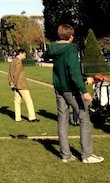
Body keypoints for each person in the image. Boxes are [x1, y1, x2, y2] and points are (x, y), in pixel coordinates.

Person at [41, 24, 104, 163]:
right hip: (72, 90)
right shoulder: (71, 49)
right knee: (84, 119)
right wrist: (84, 91)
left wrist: (42, 54)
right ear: (70, 36)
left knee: (63, 120)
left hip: (59, 88)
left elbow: (45, 55)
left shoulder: (52, 47)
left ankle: (66, 155)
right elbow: (74, 72)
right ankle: (87, 155)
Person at [8, 49, 39, 122]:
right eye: (24, 55)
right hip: (21, 85)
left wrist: (11, 83)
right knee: (29, 101)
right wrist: (14, 83)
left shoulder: (13, 61)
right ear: (20, 53)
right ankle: (32, 118)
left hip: (14, 85)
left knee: (17, 102)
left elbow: (10, 73)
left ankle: (17, 118)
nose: (25, 57)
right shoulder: (18, 61)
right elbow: (17, 73)